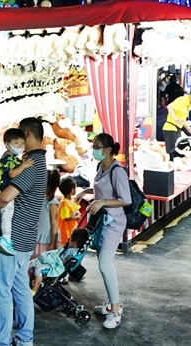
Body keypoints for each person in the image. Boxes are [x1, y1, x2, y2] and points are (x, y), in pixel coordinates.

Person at [0, 117, 47, 345]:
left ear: (28, 135)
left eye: (19, 138)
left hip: (10, 241)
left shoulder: (31, 165)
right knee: (20, 290)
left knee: (1, 292)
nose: (17, 143)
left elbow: (6, 197)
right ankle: (24, 339)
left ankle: (1, 341)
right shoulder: (33, 163)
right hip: (25, 239)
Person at [77, 133, 132, 329]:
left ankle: (116, 312)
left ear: (108, 150)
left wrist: (103, 202)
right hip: (101, 222)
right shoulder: (101, 167)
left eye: (97, 146)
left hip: (114, 223)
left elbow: (125, 199)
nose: (94, 149)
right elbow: (102, 190)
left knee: (104, 265)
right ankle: (112, 304)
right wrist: (88, 192)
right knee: (105, 265)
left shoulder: (117, 171)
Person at [0, 128, 32, 255]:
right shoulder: (10, 159)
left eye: (22, 143)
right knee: (8, 213)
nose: (20, 147)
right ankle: (6, 238)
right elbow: (12, 174)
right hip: (1, 190)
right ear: (7, 144)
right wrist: (24, 165)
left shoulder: (5, 155)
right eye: (16, 143)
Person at [30, 228, 89, 294]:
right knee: (35, 264)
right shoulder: (76, 251)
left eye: (71, 238)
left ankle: (34, 290)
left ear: (74, 243)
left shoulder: (70, 251)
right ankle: (32, 283)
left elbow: (61, 259)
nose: (69, 239)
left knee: (38, 268)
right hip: (57, 265)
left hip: (57, 266)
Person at [162, 87, 191, 157]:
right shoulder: (182, 100)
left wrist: (188, 128)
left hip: (177, 129)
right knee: (172, 152)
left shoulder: (190, 104)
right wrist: (175, 118)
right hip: (170, 129)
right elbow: (170, 107)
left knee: (178, 151)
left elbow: (182, 119)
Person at [35, 170, 61, 257]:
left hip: (47, 240)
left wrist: (53, 243)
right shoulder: (41, 198)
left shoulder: (52, 202)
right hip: (38, 237)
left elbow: (54, 223)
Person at [57, 177, 81, 245]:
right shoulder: (64, 203)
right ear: (72, 190)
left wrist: (75, 214)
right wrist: (75, 216)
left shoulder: (73, 200)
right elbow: (67, 218)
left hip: (72, 230)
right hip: (65, 233)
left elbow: (77, 212)